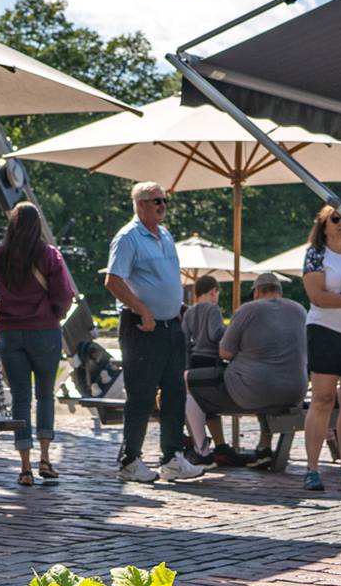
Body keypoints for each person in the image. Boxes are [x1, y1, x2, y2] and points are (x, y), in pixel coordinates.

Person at [0, 201, 75, 487]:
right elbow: (64, 294)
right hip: (44, 332)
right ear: (37, 226)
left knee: (21, 398)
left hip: (10, 333)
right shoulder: (49, 256)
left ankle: (24, 468)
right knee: (45, 395)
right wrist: (54, 313)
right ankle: (46, 459)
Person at [106, 182, 207, 484]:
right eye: (156, 201)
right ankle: (130, 460)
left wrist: (173, 308)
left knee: (176, 390)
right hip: (142, 326)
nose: (162, 205)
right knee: (141, 394)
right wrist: (143, 309)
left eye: (164, 200)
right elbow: (112, 280)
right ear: (140, 204)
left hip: (169, 325)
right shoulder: (127, 238)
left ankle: (171, 458)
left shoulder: (165, 235)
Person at [185, 272, 309, 427]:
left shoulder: (247, 310)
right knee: (259, 374)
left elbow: (225, 353)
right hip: (295, 392)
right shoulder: (300, 310)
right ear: (280, 291)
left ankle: (203, 446)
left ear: (256, 292)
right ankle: (264, 444)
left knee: (188, 380)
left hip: (252, 391)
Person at [300, 204, 341, 492]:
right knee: (323, 398)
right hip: (324, 330)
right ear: (323, 225)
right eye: (335, 219)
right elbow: (317, 296)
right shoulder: (315, 254)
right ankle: (312, 467)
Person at [180, 276, 230, 463]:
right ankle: (216, 446)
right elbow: (215, 333)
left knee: (196, 403)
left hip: (193, 361)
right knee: (211, 404)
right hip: (210, 360)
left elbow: (184, 340)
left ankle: (200, 444)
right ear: (213, 291)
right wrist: (229, 332)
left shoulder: (189, 312)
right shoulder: (213, 308)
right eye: (217, 293)